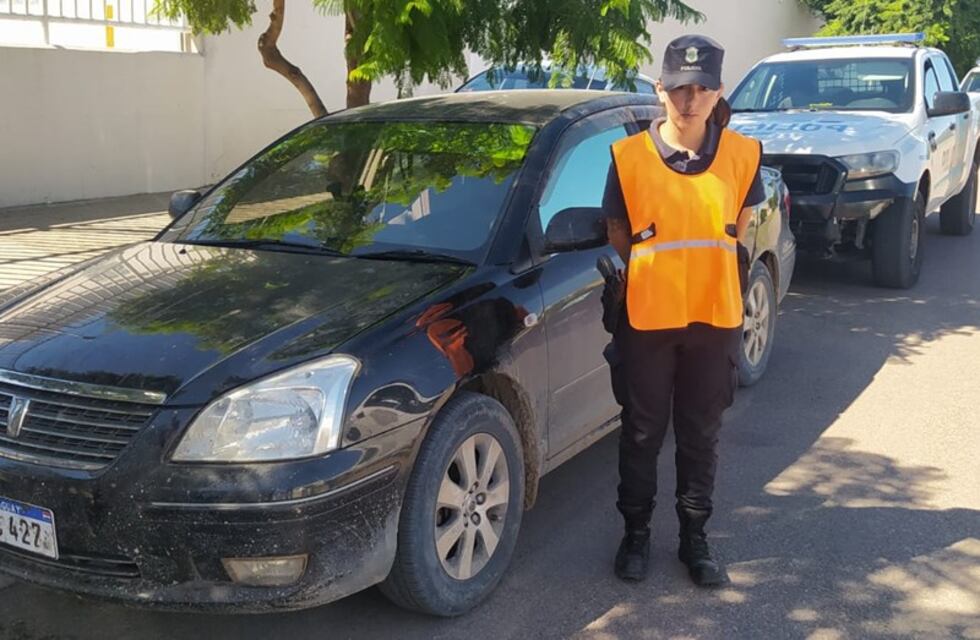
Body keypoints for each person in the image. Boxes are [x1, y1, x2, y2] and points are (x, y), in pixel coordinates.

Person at [601, 34, 766, 587]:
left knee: (701, 433)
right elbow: (620, 232)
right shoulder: (627, 157)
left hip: (713, 318)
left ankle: (695, 540)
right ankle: (637, 536)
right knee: (643, 432)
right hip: (648, 319)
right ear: (659, 90)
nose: (688, 100)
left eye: (700, 89)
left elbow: (738, 229)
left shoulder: (743, 155)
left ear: (718, 91)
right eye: (677, 89)